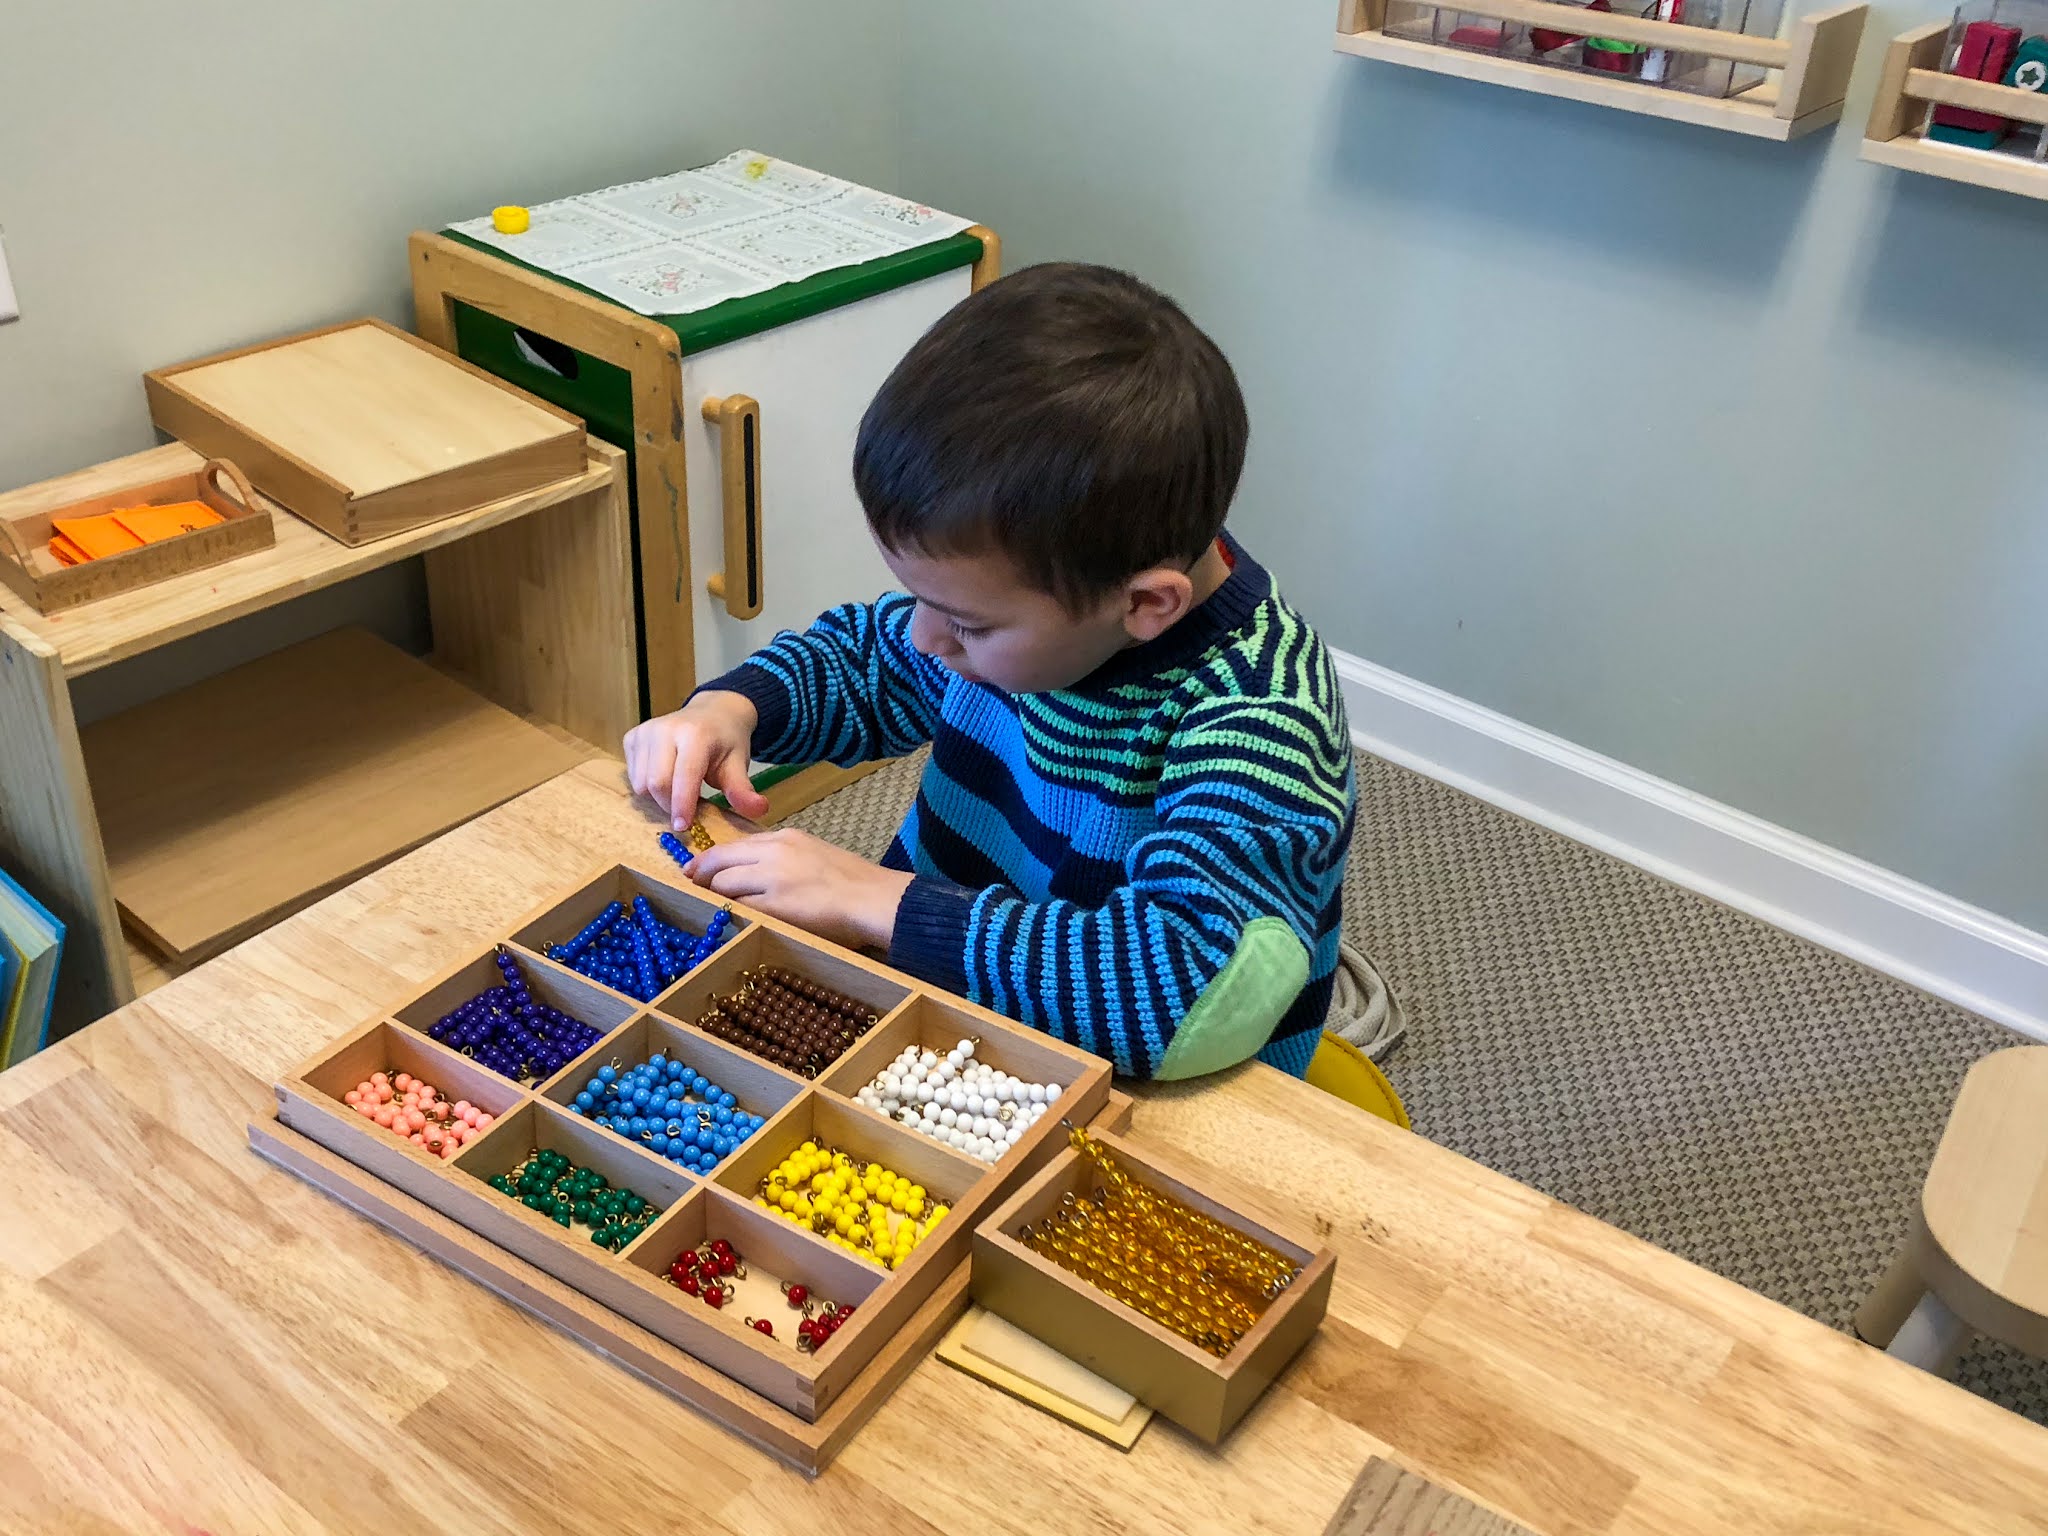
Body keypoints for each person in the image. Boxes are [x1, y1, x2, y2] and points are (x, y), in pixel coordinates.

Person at [624, 262, 1356, 1080]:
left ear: (1147, 604)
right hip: (961, 1003)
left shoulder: (1263, 715)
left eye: (966, 621)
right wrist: (733, 707)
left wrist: (875, 897)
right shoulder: (1032, 618)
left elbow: (1185, 992)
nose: (924, 636)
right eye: (917, 597)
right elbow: (871, 657)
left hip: (1129, 1075)